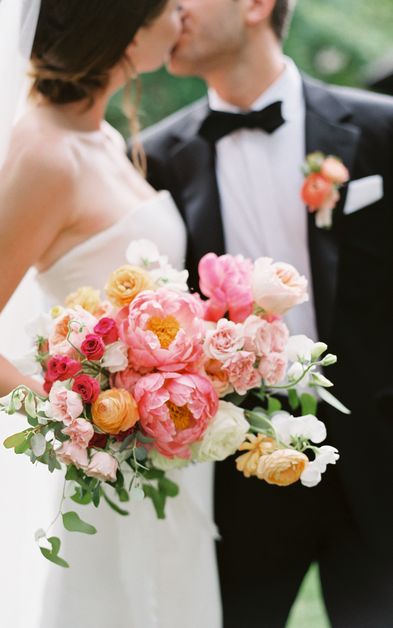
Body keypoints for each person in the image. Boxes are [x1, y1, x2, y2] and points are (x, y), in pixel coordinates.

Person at [0, 1, 221, 627]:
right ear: (127, 27)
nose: (184, 10)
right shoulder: (46, 156)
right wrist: (82, 429)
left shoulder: (102, 135)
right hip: (107, 466)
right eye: (170, 4)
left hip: (159, 460)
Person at [141, 0, 393, 626]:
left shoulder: (382, 126)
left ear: (256, 6)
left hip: (380, 463)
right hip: (235, 472)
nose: (170, 11)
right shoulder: (149, 160)